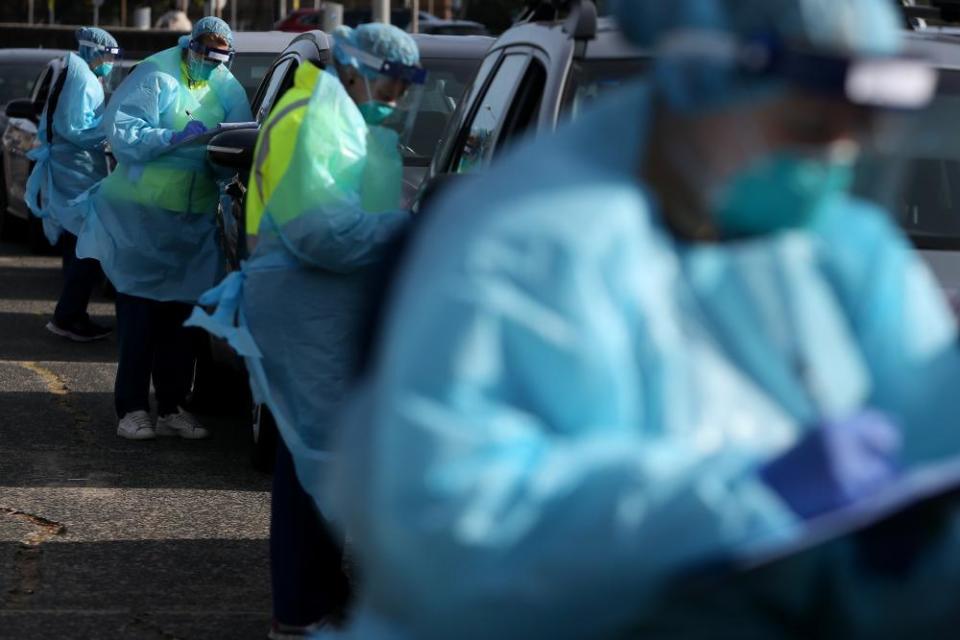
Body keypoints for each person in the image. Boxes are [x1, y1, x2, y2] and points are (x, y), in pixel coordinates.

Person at [318, 1, 960, 638]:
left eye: (862, 130)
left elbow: (933, 430)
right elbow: (440, 533)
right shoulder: (522, 245)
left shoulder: (837, 249)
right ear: (697, 82)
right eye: (811, 126)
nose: (837, 157)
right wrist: (740, 498)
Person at [187, 23, 422, 639]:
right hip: (306, 303)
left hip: (317, 304)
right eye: (396, 78)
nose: (397, 93)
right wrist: (409, 233)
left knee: (318, 451)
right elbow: (320, 232)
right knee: (310, 453)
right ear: (360, 68)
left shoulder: (338, 113)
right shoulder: (315, 117)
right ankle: (299, 609)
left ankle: (316, 594)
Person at [76, 17, 251, 441]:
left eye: (218, 58)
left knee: (181, 317)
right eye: (203, 54)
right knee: (140, 314)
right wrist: (172, 138)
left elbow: (241, 140)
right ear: (189, 45)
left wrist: (216, 158)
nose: (208, 64)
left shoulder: (227, 88)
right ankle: (132, 408)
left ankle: (173, 404)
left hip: (192, 222)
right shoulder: (157, 73)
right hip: (142, 217)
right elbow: (123, 133)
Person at [26, 27, 119, 342]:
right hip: (76, 172)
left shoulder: (78, 72)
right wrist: (110, 131)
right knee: (88, 247)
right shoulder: (81, 78)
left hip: (74, 172)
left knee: (77, 244)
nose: (110, 62)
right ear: (94, 50)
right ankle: (68, 316)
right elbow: (75, 129)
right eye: (108, 55)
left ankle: (72, 313)